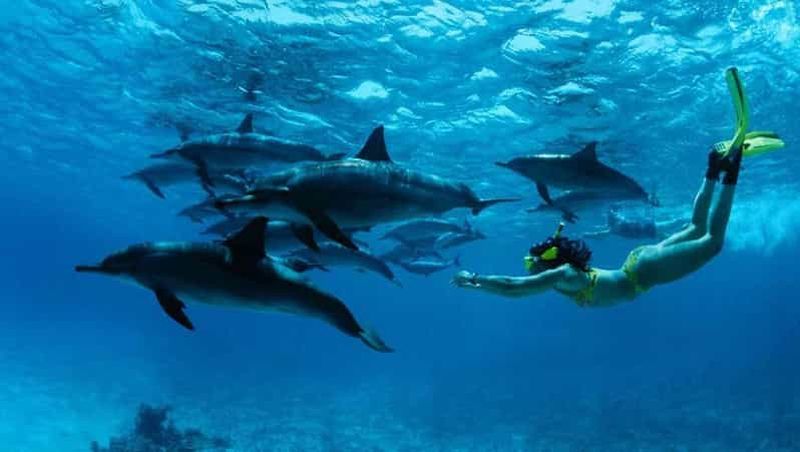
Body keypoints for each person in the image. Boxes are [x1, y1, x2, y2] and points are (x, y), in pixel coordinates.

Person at [452, 68, 784, 307]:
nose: (529, 265)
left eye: (531, 262)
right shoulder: (563, 273)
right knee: (697, 227)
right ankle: (714, 167)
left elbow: (514, 288)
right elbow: (518, 284)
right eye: (531, 261)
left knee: (711, 241)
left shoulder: (561, 275)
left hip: (643, 271)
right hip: (637, 265)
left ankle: (730, 168)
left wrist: (475, 282)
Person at [581, 208, 687, 241]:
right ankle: (688, 221)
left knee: (670, 232)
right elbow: (601, 235)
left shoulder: (615, 227)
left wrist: (589, 235)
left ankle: (686, 225)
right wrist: (589, 235)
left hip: (648, 232)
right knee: (674, 224)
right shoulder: (616, 227)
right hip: (650, 228)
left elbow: (601, 235)